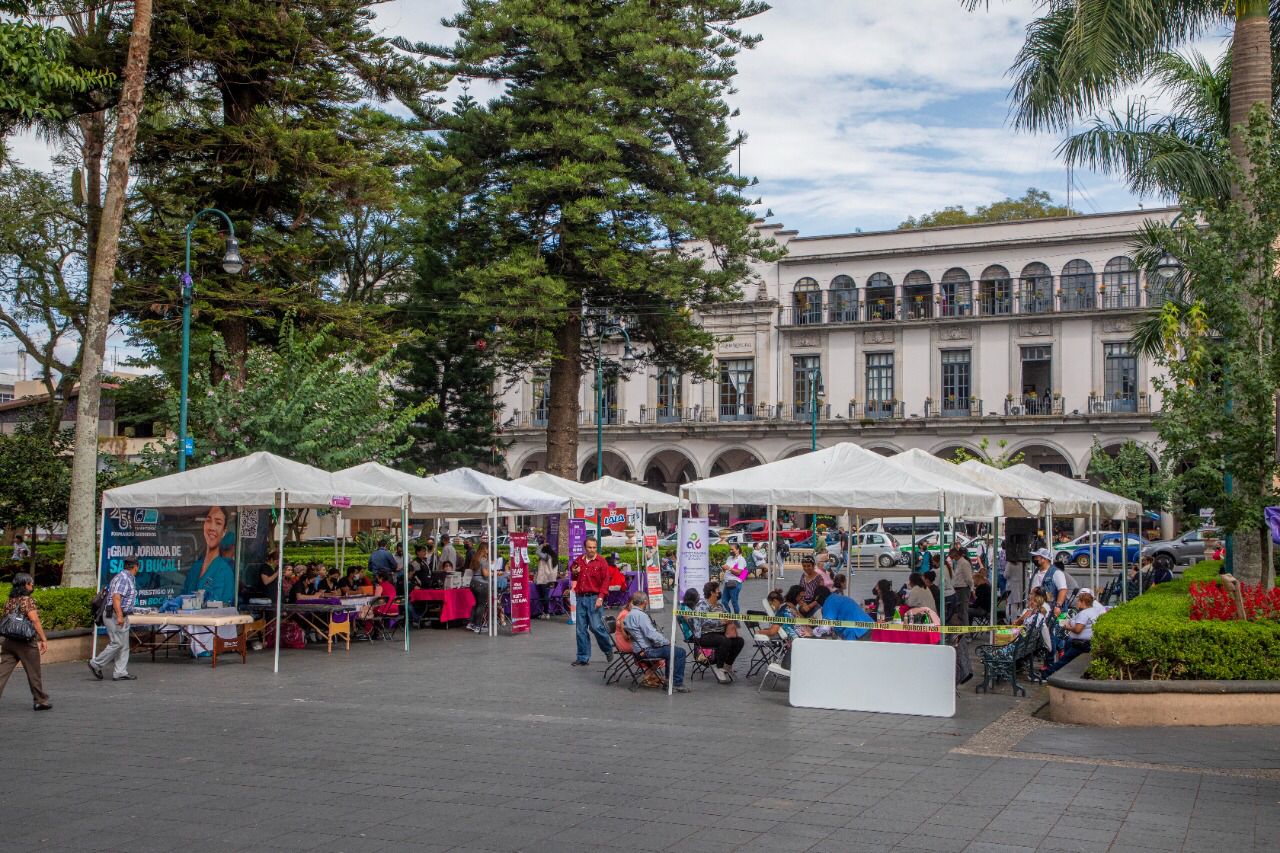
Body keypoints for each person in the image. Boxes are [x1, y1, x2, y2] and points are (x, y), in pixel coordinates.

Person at [0, 572, 51, 710]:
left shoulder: (9, 601)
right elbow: (34, 619)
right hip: (26, 643)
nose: (32, 585)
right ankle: (40, 700)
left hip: (9, 642)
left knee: (2, 671)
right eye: (31, 583)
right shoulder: (27, 600)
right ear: (25, 585)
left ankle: (41, 699)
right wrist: (43, 639)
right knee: (34, 672)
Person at [623, 592, 689, 693]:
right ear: (645, 602)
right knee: (680, 652)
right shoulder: (641, 615)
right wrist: (666, 642)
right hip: (646, 650)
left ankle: (669, 681)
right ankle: (676, 683)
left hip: (638, 649)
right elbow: (651, 634)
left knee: (671, 652)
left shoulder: (629, 615)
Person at [89, 559, 140, 682]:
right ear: (136, 567)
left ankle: (120, 672)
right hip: (114, 614)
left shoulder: (129, 578)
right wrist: (120, 616)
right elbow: (116, 598)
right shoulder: (123, 578)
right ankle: (96, 663)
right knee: (117, 642)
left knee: (124, 645)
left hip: (122, 614)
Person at [569, 537, 614, 665]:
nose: (592, 550)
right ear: (585, 548)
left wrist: (601, 597)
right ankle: (583, 657)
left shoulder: (601, 562)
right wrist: (574, 572)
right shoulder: (579, 560)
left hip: (594, 598)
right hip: (581, 597)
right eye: (590, 547)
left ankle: (608, 649)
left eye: (594, 547)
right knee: (580, 629)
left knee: (596, 627)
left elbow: (606, 581)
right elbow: (574, 575)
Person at [1042, 588, 1106, 677]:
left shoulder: (1084, 613)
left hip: (1082, 644)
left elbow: (1077, 629)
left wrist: (1067, 627)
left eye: (1078, 601)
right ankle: (1053, 673)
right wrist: (1065, 621)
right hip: (1085, 642)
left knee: (1064, 660)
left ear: (1083, 602)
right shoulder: (1093, 611)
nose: (1076, 603)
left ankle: (1047, 674)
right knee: (1065, 657)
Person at [180, 506, 236, 605]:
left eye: (218, 523)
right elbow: (183, 598)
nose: (212, 528)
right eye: (208, 521)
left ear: (224, 532)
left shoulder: (225, 572)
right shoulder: (195, 568)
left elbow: (225, 609)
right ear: (204, 525)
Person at [692, 581, 744, 683]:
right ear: (712, 592)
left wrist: (730, 619)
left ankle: (727, 665)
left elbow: (726, 615)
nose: (719, 592)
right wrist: (721, 622)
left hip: (721, 633)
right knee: (725, 641)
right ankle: (718, 667)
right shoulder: (702, 605)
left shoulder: (720, 605)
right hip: (705, 635)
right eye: (717, 590)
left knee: (739, 641)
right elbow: (703, 621)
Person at [1029, 548, 1069, 618]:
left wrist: (1058, 606)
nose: (1034, 559)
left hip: (1052, 610)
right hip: (1039, 610)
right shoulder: (1036, 572)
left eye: (1036, 557)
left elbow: (1063, 590)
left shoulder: (1056, 573)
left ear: (1044, 559)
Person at [466, 542, 494, 633]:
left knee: (476, 604)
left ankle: (471, 623)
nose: (489, 551)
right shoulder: (484, 560)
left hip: (473, 583)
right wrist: (494, 573)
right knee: (481, 605)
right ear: (485, 549)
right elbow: (485, 574)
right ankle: (477, 625)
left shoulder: (475, 558)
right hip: (482, 584)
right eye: (488, 549)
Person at [946, 546, 973, 627]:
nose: (951, 558)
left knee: (964, 612)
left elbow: (968, 579)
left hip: (963, 589)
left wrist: (971, 589)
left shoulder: (964, 563)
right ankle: (962, 631)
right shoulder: (959, 563)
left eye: (951, 556)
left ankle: (967, 634)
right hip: (959, 589)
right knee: (960, 612)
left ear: (955, 555)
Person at [721, 543, 747, 614]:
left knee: (734, 601)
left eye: (732, 549)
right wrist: (723, 568)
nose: (730, 551)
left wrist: (729, 568)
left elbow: (739, 572)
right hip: (727, 582)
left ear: (738, 550)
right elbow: (726, 569)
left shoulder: (741, 559)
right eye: (730, 549)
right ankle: (729, 616)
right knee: (724, 601)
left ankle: (736, 618)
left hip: (735, 583)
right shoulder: (729, 558)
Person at [535, 543, 558, 620]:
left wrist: (541, 545)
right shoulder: (553, 556)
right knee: (545, 596)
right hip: (550, 579)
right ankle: (545, 613)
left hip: (544, 579)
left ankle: (546, 613)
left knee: (544, 597)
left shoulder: (546, 556)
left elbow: (537, 552)